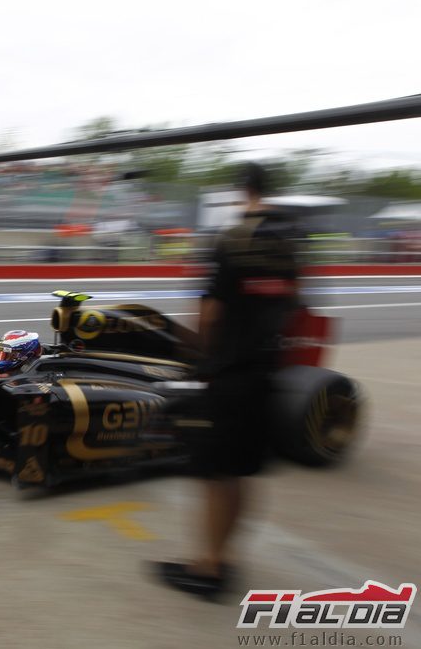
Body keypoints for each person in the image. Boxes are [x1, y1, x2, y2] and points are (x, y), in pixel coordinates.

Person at [154, 162, 301, 599]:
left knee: (215, 474)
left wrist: (197, 358)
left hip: (230, 374)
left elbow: (210, 313)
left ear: (241, 191)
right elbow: (294, 307)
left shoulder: (232, 239)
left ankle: (208, 569)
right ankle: (226, 558)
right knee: (240, 472)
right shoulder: (290, 243)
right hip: (266, 371)